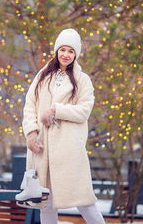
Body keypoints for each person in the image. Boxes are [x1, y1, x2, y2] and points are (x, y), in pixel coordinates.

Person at [22, 28, 105, 224]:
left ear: (76, 54)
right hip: (43, 148)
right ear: (56, 51)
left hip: (68, 149)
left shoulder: (82, 80)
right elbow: (29, 105)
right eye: (62, 49)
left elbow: (84, 110)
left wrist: (56, 110)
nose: (66, 54)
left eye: (70, 51)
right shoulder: (43, 75)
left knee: (84, 201)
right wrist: (31, 134)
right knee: (46, 202)